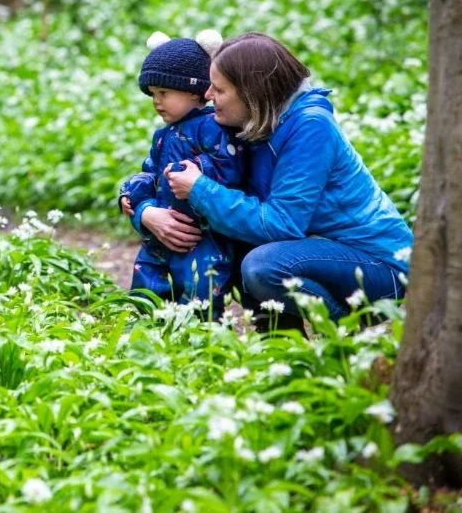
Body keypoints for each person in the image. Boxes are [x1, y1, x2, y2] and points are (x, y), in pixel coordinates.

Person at [162, 32, 412, 324]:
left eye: (219, 89)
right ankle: (279, 345)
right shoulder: (256, 123)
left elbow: (282, 224)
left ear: (251, 92)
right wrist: (144, 211)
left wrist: (200, 190)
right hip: (321, 251)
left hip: (378, 263)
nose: (207, 96)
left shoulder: (310, 126)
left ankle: (348, 333)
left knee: (263, 265)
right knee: (246, 246)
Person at [118, 30, 244, 315]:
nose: (156, 101)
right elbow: (151, 172)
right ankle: (147, 321)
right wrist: (134, 191)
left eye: (163, 93)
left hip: (203, 234)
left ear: (194, 91)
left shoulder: (212, 127)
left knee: (200, 285)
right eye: (152, 94)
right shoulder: (163, 136)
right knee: (147, 278)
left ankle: (199, 332)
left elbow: (230, 168)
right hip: (160, 231)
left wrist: (197, 169)